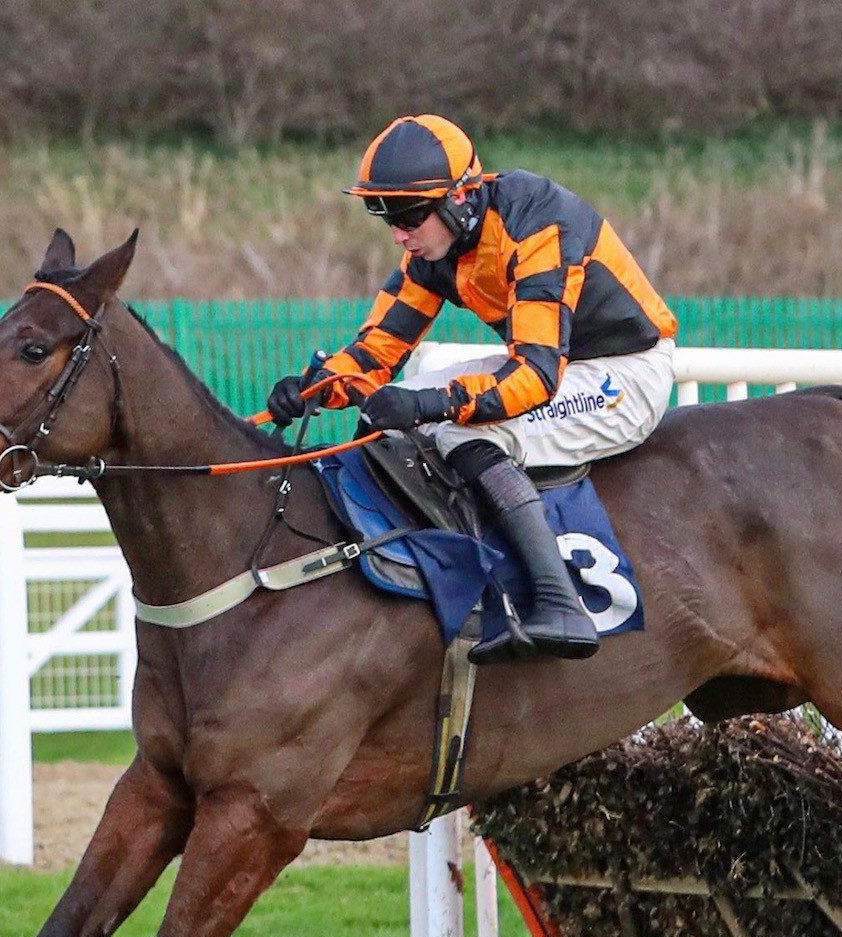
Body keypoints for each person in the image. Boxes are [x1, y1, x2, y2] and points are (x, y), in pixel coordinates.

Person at [266, 113, 678, 664]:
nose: (398, 232)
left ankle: (559, 604)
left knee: (460, 432)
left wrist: (430, 405)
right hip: (558, 360)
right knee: (395, 409)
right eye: (381, 213)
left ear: (461, 197)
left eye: (408, 214)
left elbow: (533, 376)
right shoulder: (434, 249)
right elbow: (377, 351)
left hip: (625, 372)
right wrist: (318, 387)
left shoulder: (537, 224)